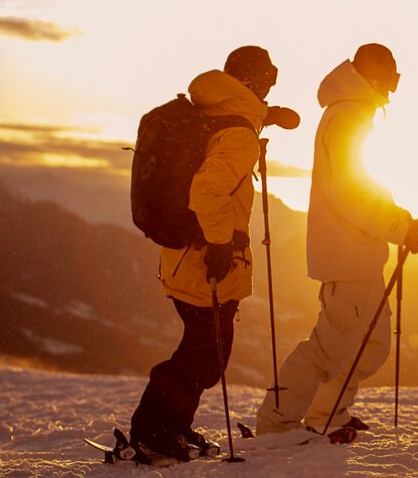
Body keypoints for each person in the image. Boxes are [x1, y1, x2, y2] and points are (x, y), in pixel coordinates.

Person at [129, 46, 300, 461]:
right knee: (205, 356)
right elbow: (207, 190)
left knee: (203, 351)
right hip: (205, 257)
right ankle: (154, 430)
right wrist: (222, 244)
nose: (270, 87)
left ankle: (171, 425)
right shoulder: (237, 133)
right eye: (269, 80)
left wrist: (265, 115)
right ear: (257, 81)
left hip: (184, 253)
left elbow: (224, 133)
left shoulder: (212, 111)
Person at [256, 43, 418, 438]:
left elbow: (363, 187)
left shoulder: (351, 113)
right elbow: (351, 193)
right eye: (391, 78)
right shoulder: (349, 115)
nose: (392, 90)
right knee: (332, 348)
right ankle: (279, 423)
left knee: (364, 344)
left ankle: (326, 415)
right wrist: (398, 228)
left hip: (354, 254)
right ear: (375, 76)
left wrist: (399, 219)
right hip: (349, 256)